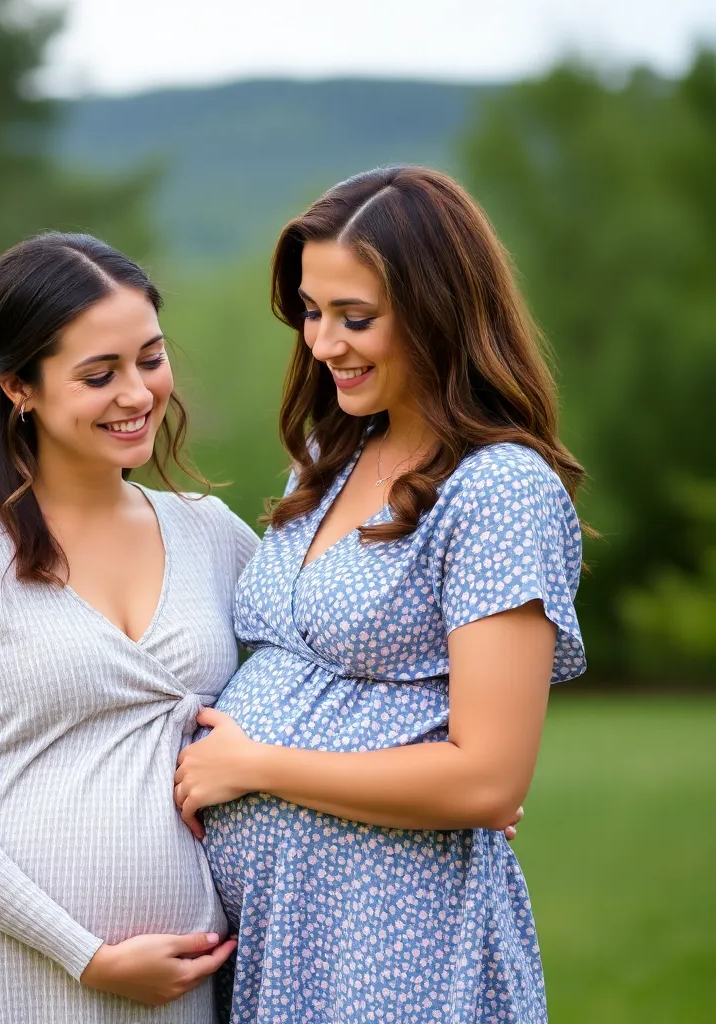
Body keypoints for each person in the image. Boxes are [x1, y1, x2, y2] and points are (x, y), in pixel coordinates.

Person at [174, 166, 586, 1023]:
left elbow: (487, 781)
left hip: (394, 939)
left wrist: (256, 768)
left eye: (355, 317)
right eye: (312, 313)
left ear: (440, 310)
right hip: (280, 934)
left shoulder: (499, 490)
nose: (324, 345)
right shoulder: (328, 460)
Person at [0, 232, 257, 1023]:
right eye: (99, 375)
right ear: (19, 388)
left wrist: (427, 769)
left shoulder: (212, 534)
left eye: (150, 357)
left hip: (164, 991)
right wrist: (88, 955)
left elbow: (329, 662)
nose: (139, 394)